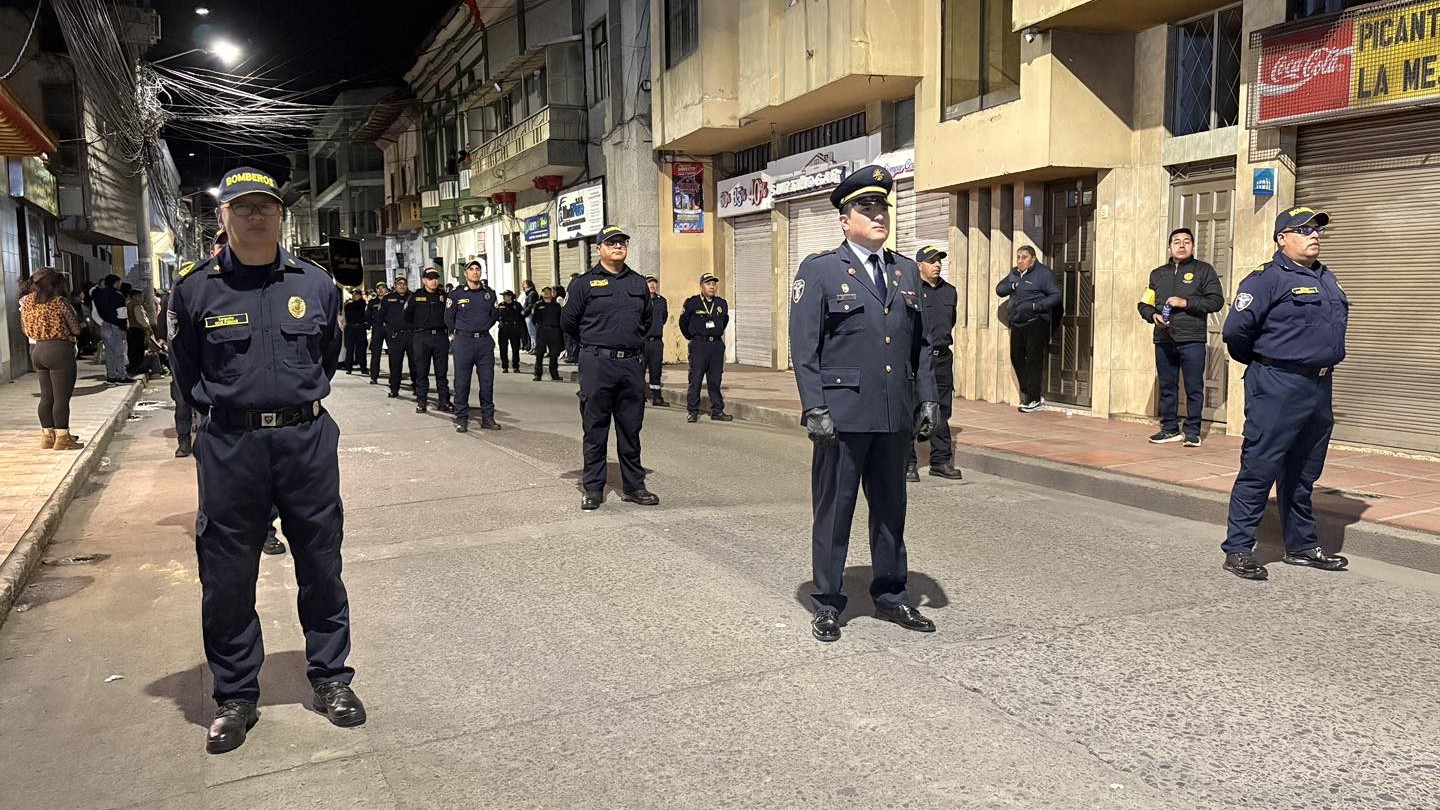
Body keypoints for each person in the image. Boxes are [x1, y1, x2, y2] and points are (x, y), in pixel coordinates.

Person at [168, 167, 363, 755]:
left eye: (266, 206)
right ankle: (235, 695)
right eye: (243, 206)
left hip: (305, 441)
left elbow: (327, 356)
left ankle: (331, 678)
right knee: (227, 574)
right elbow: (185, 369)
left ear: (280, 215)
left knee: (321, 563)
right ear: (222, 216)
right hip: (231, 446)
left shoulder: (317, 284)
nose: (256, 215)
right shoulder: (194, 289)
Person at [788, 165, 940, 644]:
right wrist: (815, 407)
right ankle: (828, 602)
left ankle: (891, 595)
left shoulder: (905, 270)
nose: (878, 215)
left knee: (891, 510)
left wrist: (927, 397)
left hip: (893, 415)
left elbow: (920, 344)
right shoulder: (820, 270)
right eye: (866, 208)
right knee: (835, 511)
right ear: (844, 219)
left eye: (882, 208)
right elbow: (804, 346)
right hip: (842, 415)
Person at [1219, 206, 1350, 582]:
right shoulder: (1266, 279)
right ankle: (1239, 548)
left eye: (1316, 230)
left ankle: (1302, 545)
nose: (1314, 235)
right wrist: (1267, 364)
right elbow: (1235, 333)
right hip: (1278, 384)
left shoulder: (1327, 277)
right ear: (1282, 239)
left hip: (1319, 385)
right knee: (1260, 466)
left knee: (1304, 470)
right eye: (1303, 230)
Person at [562, 225, 659, 511]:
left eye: (622, 242)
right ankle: (593, 488)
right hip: (597, 364)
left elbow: (647, 320)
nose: (618, 246)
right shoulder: (584, 284)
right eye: (611, 242)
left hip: (630, 364)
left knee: (631, 429)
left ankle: (634, 486)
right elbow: (568, 322)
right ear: (599, 249)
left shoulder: (638, 283)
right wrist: (595, 345)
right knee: (595, 429)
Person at [1138, 228, 1224, 447]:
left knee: (1194, 387)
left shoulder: (1204, 270)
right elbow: (1144, 303)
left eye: (1187, 241)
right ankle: (1169, 429)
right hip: (1164, 338)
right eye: (1177, 242)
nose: (1182, 245)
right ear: (1169, 248)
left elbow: (1216, 301)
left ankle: (1193, 431)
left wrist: (1186, 303)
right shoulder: (1157, 274)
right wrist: (1153, 315)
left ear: (1193, 247)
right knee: (1167, 386)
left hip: (1192, 338)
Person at [906, 246, 962, 482]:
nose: (937, 265)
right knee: (912, 409)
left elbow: (951, 322)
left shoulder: (950, 292)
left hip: (942, 359)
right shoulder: (910, 291)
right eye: (931, 261)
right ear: (919, 265)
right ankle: (908, 462)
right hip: (916, 359)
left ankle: (940, 461)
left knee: (941, 411)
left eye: (939, 261)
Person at [20, 268, 84, 450]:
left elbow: (24, 328)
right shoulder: (59, 302)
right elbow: (75, 328)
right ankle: (63, 437)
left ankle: (48, 436)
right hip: (59, 351)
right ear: (55, 285)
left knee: (46, 396)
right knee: (61, 398)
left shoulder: (28, 301)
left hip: (38, 350)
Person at [995, 245, 1060, 412]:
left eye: (1024, 257)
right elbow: (1000, 290)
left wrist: (1035, 306)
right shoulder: (1015, 273)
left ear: (1033, 258)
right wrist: (1013, 286)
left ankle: (1034, 399)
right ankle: (1029, 392)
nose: (1020, 261)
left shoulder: (1043, 273)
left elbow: (1056, 295)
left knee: (1033, 359)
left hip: (1036, 322)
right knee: (1016, 357)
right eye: (1018, 257)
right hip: (1017, 323)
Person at [447, 261, 501, 432]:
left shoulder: (488, 294)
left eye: (478, 269)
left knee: (487, 382)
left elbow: (494, 315)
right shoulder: (456, 294)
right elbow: (448, 318)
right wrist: (457, 334)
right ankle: (461, 418)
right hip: (464, 342)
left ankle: (488, 418)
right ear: (465, 273)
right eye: (471, 269)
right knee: (462, 382)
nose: (475, 272)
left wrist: (482, 327)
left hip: (484, 342)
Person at [679, 272, 732, 422]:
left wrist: (715, 332)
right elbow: (683, 322)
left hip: (716, 345)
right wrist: (693, 337)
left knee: (715, 380)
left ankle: (717, 410)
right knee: (695, 379)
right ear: (701, 286)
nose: (712, 287)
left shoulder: (721, 304)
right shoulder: (692, 303)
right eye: (708, 284)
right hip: (699, 345)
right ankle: (693, 411)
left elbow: (724, 321)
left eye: (714, 284)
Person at [402, 268, 452, 414]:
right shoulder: (416, 296)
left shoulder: (444, 297)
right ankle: (421, 402)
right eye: (430, 278)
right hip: (422, 337)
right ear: (424, 280)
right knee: (421, 372)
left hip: (440, 337)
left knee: (441, 372)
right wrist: (419, 326)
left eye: (435, 278)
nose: (433, 281)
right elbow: (407, 315)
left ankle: (444, 401)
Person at [92, 274, 131, 383]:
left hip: (104, 327)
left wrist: (101, 322)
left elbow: (94, 312)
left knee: (109, 352)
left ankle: (111, 375)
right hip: (116, 327)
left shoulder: (97, 295)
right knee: (119, 353)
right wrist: (124, 329)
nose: (120, 284)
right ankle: (122, 376)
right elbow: (122, 314)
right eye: (119, 282)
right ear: (115, 283)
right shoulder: (118, 296)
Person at [378, 276, 412, 398]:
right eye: (399, 284)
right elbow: (380, 315)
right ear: (395, 286)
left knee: (415, 363)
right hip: (395, 335)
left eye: (404, 283)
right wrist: (389, 328)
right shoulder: (388, 298)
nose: (402, 286)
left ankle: (417, 387)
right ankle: (394, 388)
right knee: (395, 363)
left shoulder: (412, 297)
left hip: (411, 334)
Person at [641, 275, 671, 406]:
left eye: (654, 283)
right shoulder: (640, 300)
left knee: (656, 370)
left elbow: (664, 318)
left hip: (657, 341)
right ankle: (639, 395)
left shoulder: (662, 301)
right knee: (640, 370)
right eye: (649, 283)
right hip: (643, 341)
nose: (652, 285)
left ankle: (657, 397)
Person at [531, 286, 564, 381]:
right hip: (542, 331)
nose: (546, 293)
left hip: (554, 331)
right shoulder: (538, 305)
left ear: (552, 294)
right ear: (541, 294)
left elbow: (560, 317)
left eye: (548, 292)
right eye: (544, 292)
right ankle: (538, 374)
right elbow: (534, 319)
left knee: (554, 354)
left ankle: (554, 374)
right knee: (539, 353)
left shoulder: (556, 305)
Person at [125, 288, 154, 376]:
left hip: (130, 329)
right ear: (134, 296)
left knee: (132, 349)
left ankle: (132, 366)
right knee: (138, 349)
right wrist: (148, 327)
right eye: (140, 296)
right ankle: (138, 367)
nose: (141, 298)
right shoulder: (137, 306)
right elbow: (141, 319)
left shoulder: (128, 304)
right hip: (138, 329)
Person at [497, 290, 527, 373]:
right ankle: (505, 366)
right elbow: (496, 315)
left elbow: (522, 316)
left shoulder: (517, 305)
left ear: (510, 297)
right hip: (504, 328)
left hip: (514, 328)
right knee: (503, 348)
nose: (504, 297)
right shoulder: (501, 305)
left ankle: (515, 366)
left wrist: (521, 329)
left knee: (515, 348)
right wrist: (500, 320)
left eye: (505, 296)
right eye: (503, 296)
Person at [341, 287, 369, 375]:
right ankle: (348, 367)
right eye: (353, 294)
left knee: (361, 349)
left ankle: (363, 367)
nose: (354, 296)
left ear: (360, 295)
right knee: (349, 349)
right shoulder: (348, 305)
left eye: (356, 294)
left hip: (360, 327)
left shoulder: (363, 304)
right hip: (350, 328)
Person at [367, 281, 388, 385]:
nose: (380, 290)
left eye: (382, 288)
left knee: (394, 354)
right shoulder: (372, 302)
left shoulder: (390, 300)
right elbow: (367, 315)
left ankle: (394, 377)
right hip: (378, 329)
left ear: (386, 289)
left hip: (389, 328)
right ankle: (374, 377)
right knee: (375, 354)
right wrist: (373, 324)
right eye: (378, 288)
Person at [521, 279, 539, 352]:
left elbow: (530, 305)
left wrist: (524, 312)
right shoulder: (530, 293)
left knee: (532, 332)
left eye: (524, 284)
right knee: (531, 333)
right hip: (528, 315)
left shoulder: (532, 294)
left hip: (530, 315)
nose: (522, 286)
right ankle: (533, 347)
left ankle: (535, 347)